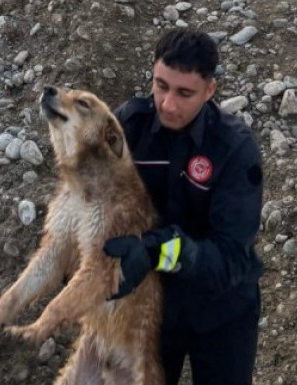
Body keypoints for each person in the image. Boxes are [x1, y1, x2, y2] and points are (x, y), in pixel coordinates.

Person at [102, 28, 263, 385]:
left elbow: (232, 258)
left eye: (184, 93)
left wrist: (157, 250)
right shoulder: (128, 127)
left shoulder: (234, 151)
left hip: (223, 310)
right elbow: (90, 203)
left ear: (210, 91)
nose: (168, 104)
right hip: (150, 311)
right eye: (161, 85)